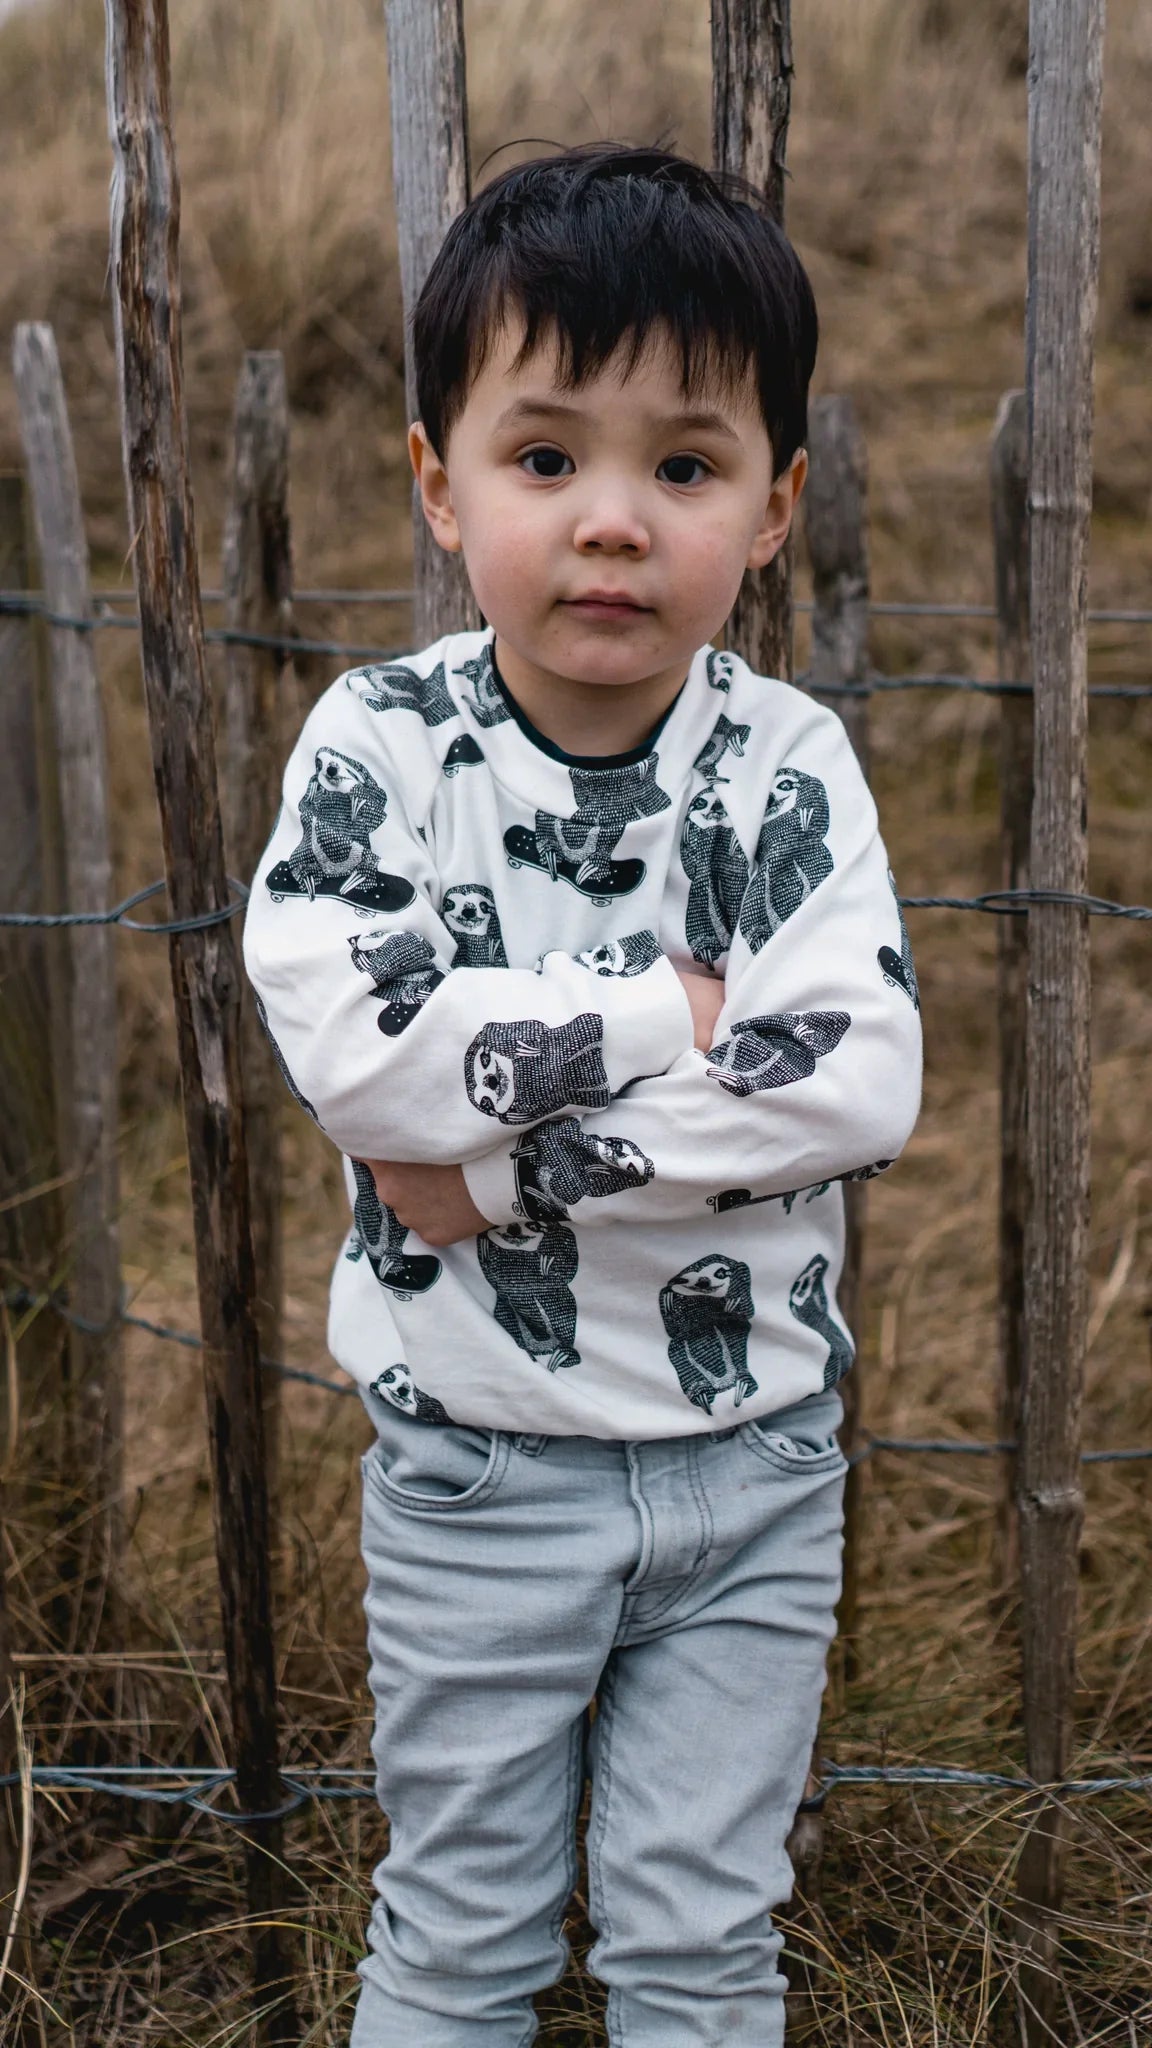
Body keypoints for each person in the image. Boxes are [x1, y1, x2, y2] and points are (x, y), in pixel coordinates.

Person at [243, 141, 922, 2048]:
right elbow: (357, 1052)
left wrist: (501, 1175)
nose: (612, 521)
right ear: (437, 483)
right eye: (548, 458)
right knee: (458, 1941)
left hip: (755, 1476)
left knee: (702, 1951)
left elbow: (851, 1082)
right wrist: (663, 1011)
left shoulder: (787, 768)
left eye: (683, 467)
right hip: (480, 1471)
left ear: (775, 507)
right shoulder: (380, 751)